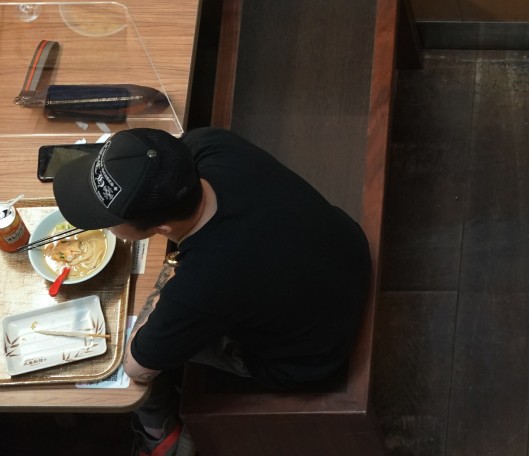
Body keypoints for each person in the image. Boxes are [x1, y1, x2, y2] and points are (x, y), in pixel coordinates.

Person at [53, 127, 371, 456]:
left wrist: (166, 294)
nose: (104, 225)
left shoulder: (202, 284)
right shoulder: (210, 144)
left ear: (161, 230)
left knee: (125, 347)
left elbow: (137, 365)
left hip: (313, 354)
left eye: (107, 220)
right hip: (345, 251)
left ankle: (159, 430)